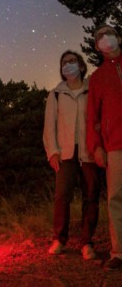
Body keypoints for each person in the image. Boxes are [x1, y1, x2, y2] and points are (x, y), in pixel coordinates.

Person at [43, 50, 100, 260]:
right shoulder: (56, 94)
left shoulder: (91, 90)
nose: (68, 65)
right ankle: (59, 239)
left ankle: (87, 242)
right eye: (64, 63)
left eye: (72, 61)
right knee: (61, 196)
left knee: (91, 197)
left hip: (89, 151)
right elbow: (50, 126)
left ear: (81, 65)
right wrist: (53, 152)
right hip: (65, 152)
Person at [86, 24, 122, 270]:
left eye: (108, 33)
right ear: (97, 46)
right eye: (99, 36)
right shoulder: (97, 77)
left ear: (118, 37)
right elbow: (93, 117)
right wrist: (96, 147)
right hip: (115, 144)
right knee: (116, 198)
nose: (104, 38)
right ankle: (118, 251)